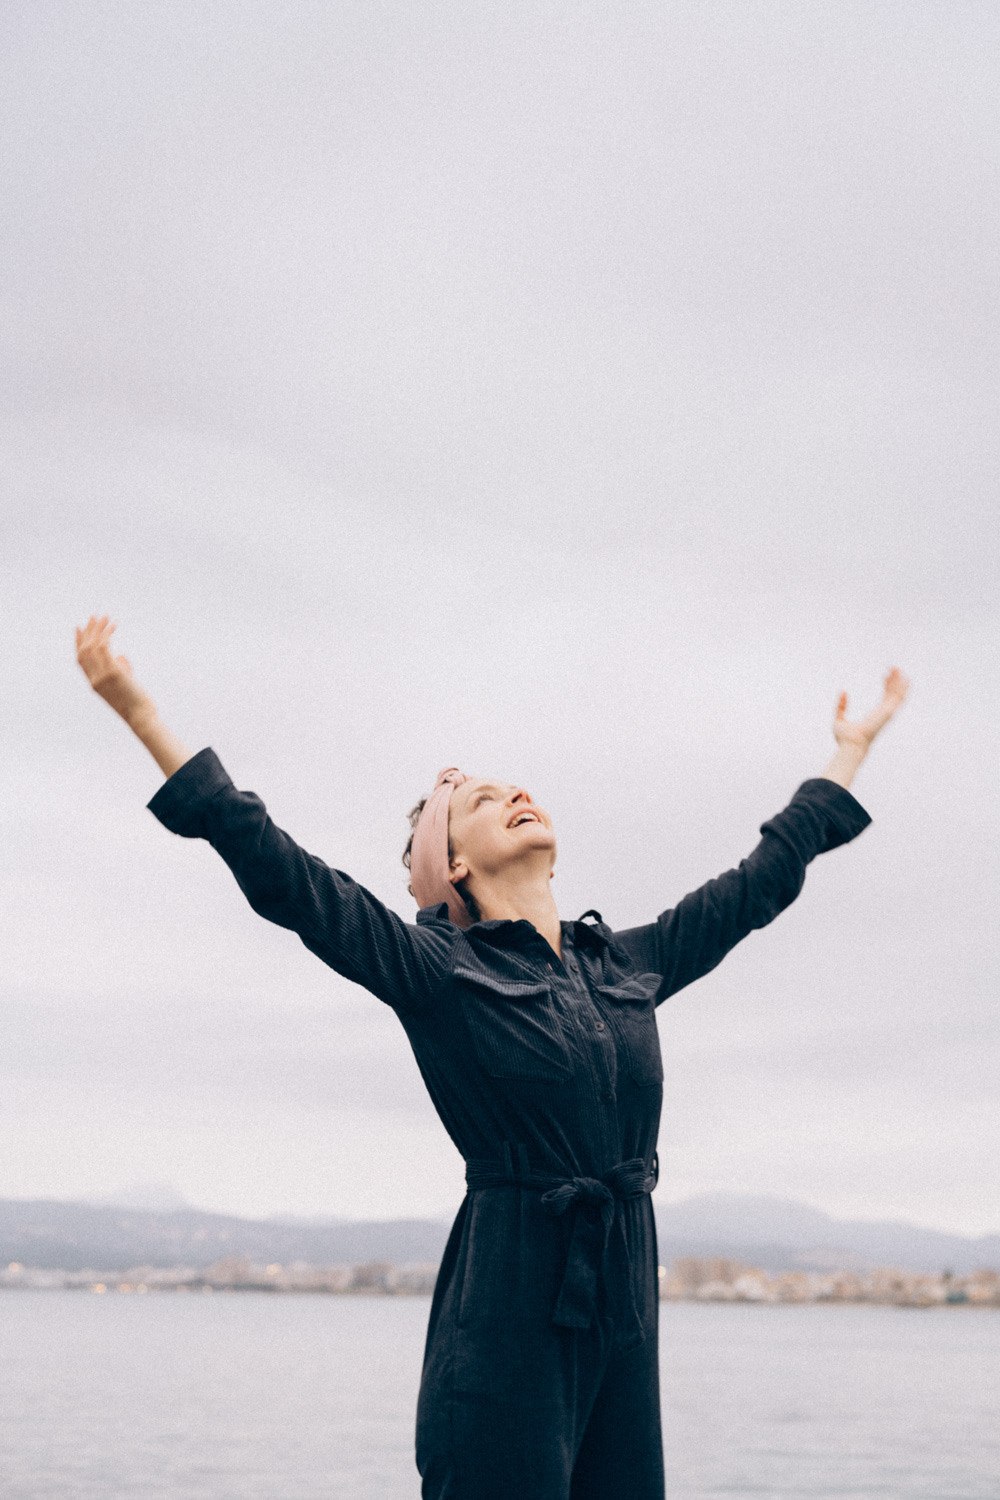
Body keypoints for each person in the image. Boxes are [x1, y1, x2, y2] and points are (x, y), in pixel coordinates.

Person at [74, 614, 908, 1500]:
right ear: (456, 865)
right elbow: (278, 869)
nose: (515, 795)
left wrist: (848, 751)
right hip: (508, 1296)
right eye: (480, 802)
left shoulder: (624, 964)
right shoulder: (435, 969)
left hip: (625, 1289)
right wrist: (138, 710)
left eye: (518, 787)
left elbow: (761, 881)